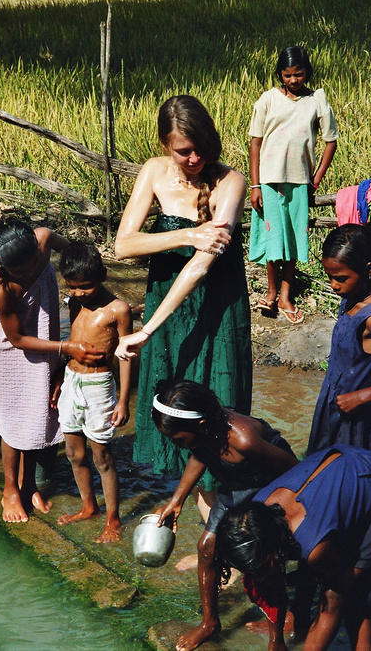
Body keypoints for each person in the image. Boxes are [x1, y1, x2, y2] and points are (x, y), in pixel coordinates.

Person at [114, 95, 252, 513]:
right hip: (167, 307)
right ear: (163, 144)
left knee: (215, 418)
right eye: (183, 150)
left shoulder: (232, 182)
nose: (194, 159)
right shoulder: (154, 171)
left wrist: (147, 329)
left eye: (201, 148)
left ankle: (224, 545)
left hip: (215, 312)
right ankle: (209, 534)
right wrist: (186, 235)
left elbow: (199, 269)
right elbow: (123, 245)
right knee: (179, 417)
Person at [152, 380, 298, 651]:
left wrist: (278, 519)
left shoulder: (244, 439)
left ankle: (277, 640)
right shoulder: (204, 433)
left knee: (265, 563)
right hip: (235, 489)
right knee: (206, 546)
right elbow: (200, 454)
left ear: (200, 424)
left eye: (178, 439)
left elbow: (296, 471)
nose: (177, 445)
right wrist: (176, 500)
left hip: (268, 490)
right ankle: (210, 623)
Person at [0, 220, 103, 524]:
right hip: (12, 346)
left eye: (30, 266)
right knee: (14, 414)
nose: (26, 273)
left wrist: (95, 293)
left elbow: (77, 259)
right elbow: (18, 339)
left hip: (45, 334)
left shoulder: (45, 239)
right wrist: (67, 348)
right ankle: (10, 489)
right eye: (18, 271)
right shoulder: (2, 288)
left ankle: (30, 484)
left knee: (39, 407)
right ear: (0, 263)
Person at [217, 444, 371, 651]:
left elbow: (330, 595)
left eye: (261, 569)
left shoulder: (313, 545)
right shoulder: (257, 515)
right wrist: (276, 643)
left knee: (347, 591)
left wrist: (286, 580)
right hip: (340, 470)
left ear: (274, 549)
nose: (259, 576)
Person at [249, 45, 338, 324]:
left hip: (300, 181)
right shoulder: (267, 99)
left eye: (298, 74)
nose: (293, 80)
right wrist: (255, 185)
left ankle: (287, 295)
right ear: (280, 74)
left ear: (306, 72)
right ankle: (272, 292)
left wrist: (316, 178)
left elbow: (330, 141)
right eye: (287, 75)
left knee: (295, 238)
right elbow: (255, 143)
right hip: (269, 180)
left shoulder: (317, 100)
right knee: (274, 237)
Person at [51, 241, 132, 543]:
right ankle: (89, 507)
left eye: (84, 287)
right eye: (72, 288)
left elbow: (125, 355)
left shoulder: (118, 309)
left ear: (103, 275)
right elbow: (71, 343)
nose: (78, 293)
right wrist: (60, 374)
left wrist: (123, 400)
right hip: (72, 380)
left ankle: (113, 517)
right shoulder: (74, 304)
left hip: (99, 387)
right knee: (74, 452)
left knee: (103, 457)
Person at [307, 224, 371, 461]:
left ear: (367, 270)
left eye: (341, 278)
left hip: (363, 419)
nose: (333, 285)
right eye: (329, 277)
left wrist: (362, 396)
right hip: (339, 406)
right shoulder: (354, 297)